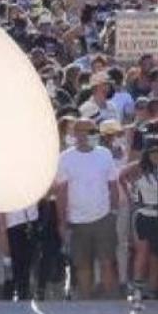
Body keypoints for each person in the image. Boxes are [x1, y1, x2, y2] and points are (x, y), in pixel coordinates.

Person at [55, 118, 119, 299]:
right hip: (77, 221)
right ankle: (86, 302)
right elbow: (61, 192)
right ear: (75, 134)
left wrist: (114, 211)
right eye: (82, 131)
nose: (86, 135)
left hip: (103, 218)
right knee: (83, 265)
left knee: (107, 261)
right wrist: (62, 222)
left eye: (90, 131)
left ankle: (109, 301)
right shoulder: (65, 158)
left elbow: (113, 185)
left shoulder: (104, 154)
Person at [124, 136, 158, 298]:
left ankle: (153, 289)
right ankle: (137, 288)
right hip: (144, 214)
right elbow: (121, 176)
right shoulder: (139, 168)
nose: (157, 155)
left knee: (157, 255)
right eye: (153, 151)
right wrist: (131, 196)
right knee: (142, 253)